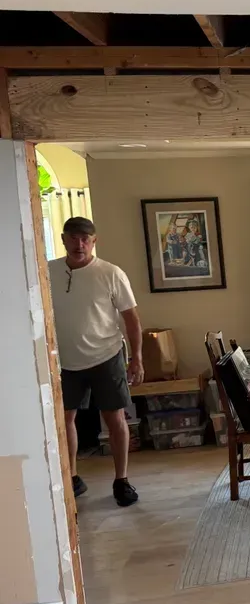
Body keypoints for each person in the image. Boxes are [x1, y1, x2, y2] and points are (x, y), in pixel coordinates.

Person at [48, 217, 143, 507]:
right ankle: (73, 477)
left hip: (106, 355)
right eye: (74, 238)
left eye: (85, 239)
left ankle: (121, 480)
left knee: (115, 418)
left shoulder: (111, 273)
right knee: (64, 421)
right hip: (63, 361)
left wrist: (137, 358)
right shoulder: (47, 271)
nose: (79, 244)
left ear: (94, 242)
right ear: (63, 239)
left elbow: (131, 319)